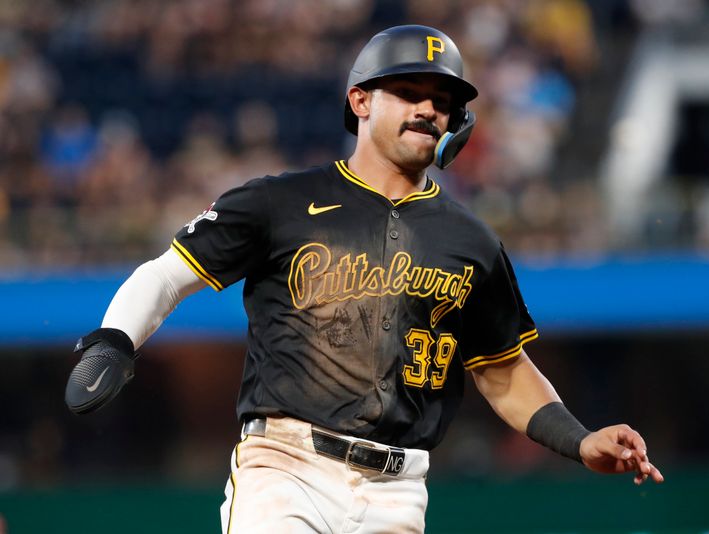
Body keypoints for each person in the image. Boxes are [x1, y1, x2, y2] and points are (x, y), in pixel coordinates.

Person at [65, 24, 664, 534]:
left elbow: (504, 372)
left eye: (442, 100)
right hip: (285, 466)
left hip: (399, 490)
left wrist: (579, 440)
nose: (428, 109)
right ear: (360, 101)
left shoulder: (472, 243)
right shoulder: (280, 202)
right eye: (407, 91)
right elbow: (166, 276)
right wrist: (114, 339)